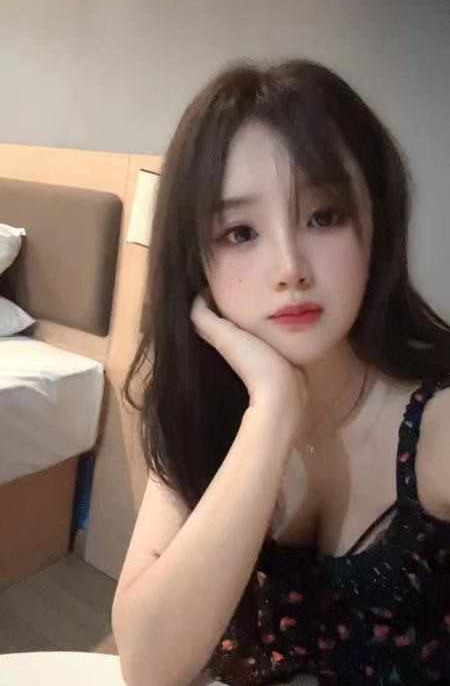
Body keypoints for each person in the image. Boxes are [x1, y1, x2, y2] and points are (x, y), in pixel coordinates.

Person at [111, 59, 450, 686]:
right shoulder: (198, 410)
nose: (290, 267)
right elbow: (148, 665)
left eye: (324, 216)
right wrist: (270, 412)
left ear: (376, 224)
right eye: (241, 232)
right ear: (197, 262)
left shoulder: (439, 429)